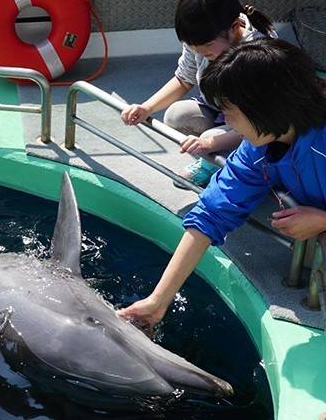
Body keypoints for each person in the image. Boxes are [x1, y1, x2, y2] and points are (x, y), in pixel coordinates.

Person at [118, 38, 326, 330]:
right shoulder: (259, 147)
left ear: (268, 108)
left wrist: (321, 220)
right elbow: (212, 213)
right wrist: (157, 301)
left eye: (231, 112)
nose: (225, 120)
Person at [120, 0, 276, 187]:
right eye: (192, 46)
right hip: (224, 112)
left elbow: (265, 125)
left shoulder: (258, 55)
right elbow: (184, 78)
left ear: (234, 27)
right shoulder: (200, 39)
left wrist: (210, 143)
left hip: (259, 126)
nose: (199, 52)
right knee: (177, 116)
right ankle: (220, 155)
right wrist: (147, 107)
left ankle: (223, 164)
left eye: (206, 46)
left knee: (212, 137)